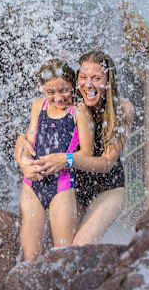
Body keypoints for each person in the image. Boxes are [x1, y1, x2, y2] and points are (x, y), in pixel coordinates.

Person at [16, 50, 133, 245]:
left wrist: (66, 159)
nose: (88, 84)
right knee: (57, 249)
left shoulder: (122, 109)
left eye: (96, 78)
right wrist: (23, 161)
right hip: (75, 187)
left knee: (79, 247)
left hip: (107, 187)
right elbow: (26, 138)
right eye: (83, 77)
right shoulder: (68, 97)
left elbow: (106, 163)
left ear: (109, 80)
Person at [15, 59, 94, 261]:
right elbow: (30, 140)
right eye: (51, 92)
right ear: (42, 89)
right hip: (32, 183)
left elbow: (87, 153)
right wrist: (25, 163)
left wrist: (65, 159)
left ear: (72, 86)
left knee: (62, 253)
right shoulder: (38, 106)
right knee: (30, 255)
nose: (58, 97)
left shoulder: (78, 111)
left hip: (62, 184)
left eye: (64, 90)